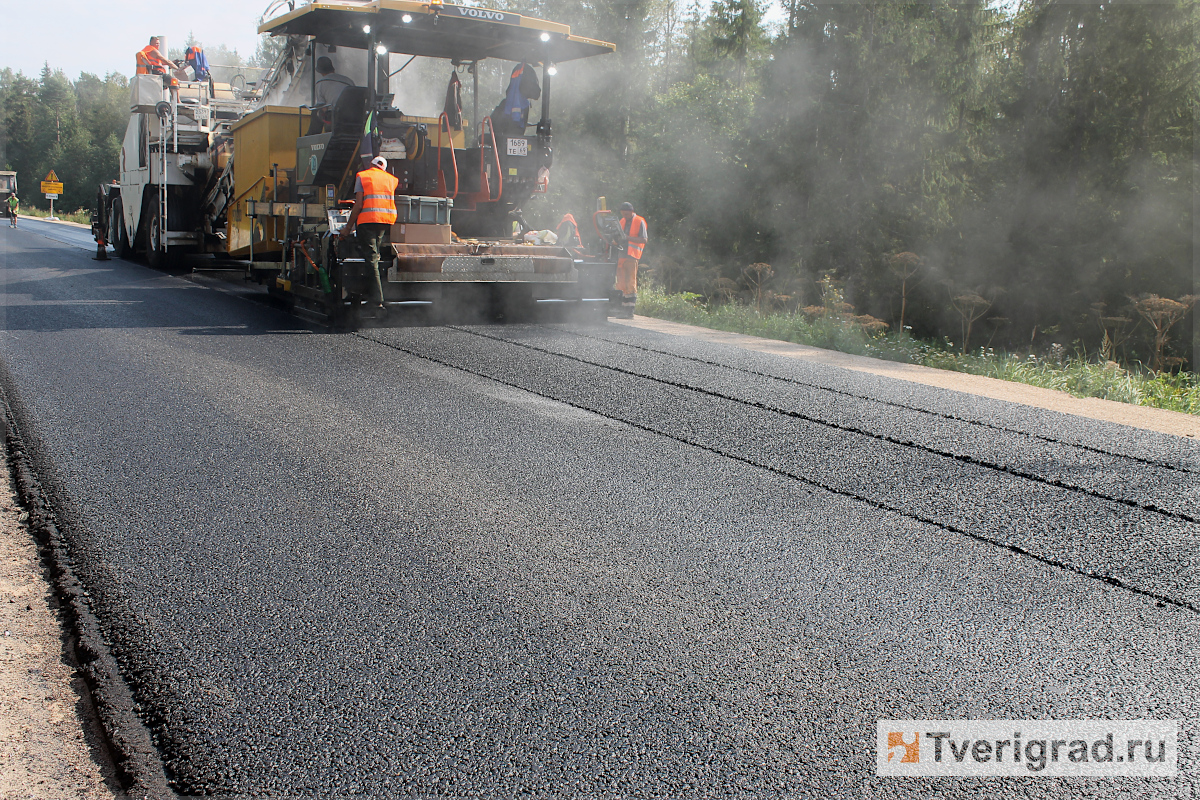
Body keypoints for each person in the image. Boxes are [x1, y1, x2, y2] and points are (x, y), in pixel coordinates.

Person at [339, 156, 398, 310]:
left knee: (371, 258)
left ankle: (377, 299)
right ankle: (368, 292)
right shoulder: (391, 179)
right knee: (374, 256)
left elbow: (358, 205)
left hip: (367, 221)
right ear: (384, 168)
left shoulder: (363, 176)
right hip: (384, 221)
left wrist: (347, 228)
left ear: (371, 164)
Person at [614, 202, 647, 316]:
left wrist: (627, 238)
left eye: (627, 214)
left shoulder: (639, 221)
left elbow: (644, 239)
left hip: (632, 256)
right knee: (620, 283)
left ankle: (629, 311)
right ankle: (621, 309)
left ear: (632, 211)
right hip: (621, 256)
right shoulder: (621, 221)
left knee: (630, 283)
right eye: (623, 214)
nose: (625, 216)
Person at [307, 57, 356, 135]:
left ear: (320, 72)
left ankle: (312, 136)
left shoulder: (320, 83)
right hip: (352, 118)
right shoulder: (349, 81)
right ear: (333, 69)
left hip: (335, 117)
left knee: (315, 110)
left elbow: (322, 106)